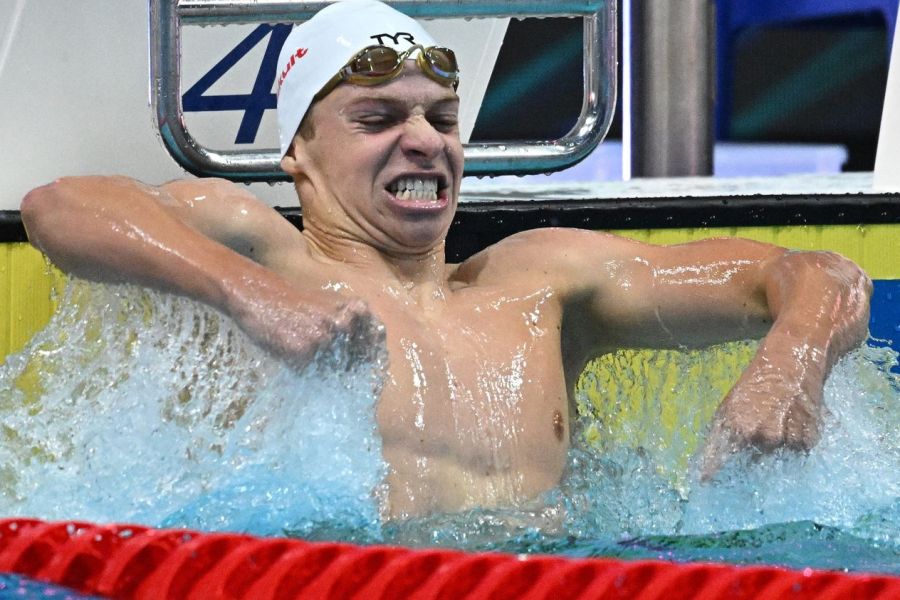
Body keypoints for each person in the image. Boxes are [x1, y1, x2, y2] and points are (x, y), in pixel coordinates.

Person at [20, 0, 871, 520]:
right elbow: (59, 206)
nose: (425, 140)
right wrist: (250, 297)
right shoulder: (267, 257)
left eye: (443, 118)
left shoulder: (539, 282)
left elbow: (819, 275)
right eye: (378, 118)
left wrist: (791, 365)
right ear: (298, 153)